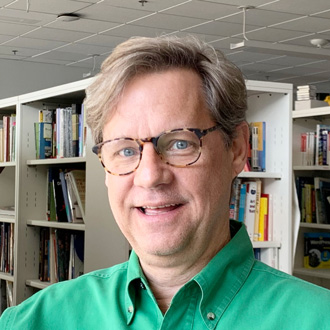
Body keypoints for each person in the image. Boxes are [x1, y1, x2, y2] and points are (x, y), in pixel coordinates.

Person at [1, 35, 330, 330]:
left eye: (180, 144)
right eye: (126, 150)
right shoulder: (34, 320)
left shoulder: (317, 319)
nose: (149, 176)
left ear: (237, 148)